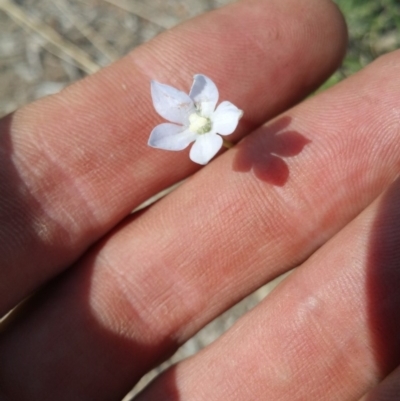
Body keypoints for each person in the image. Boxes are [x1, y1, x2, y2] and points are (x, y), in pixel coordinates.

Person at [0, 0, 399, 399]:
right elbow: (192, 138)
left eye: (200, 115)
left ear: (206, 109)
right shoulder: (189, 133)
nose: (197, 120)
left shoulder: (211, 119)